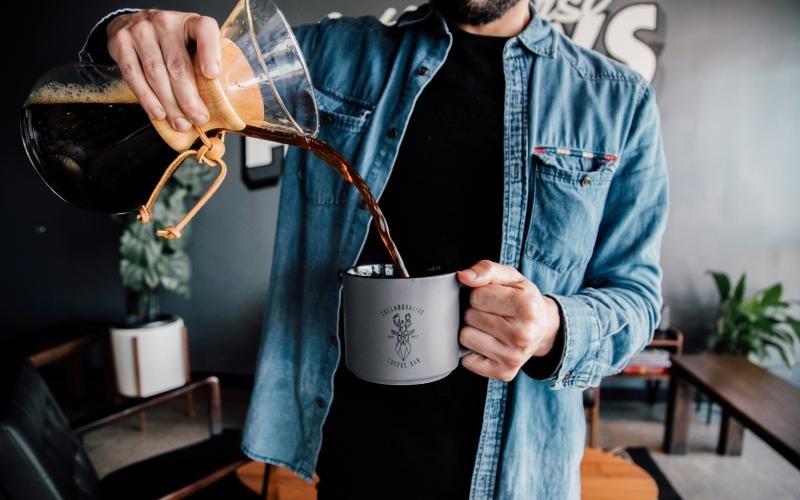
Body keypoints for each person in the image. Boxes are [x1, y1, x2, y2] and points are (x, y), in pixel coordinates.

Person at [80, 1, 668, 498]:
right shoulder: (333, 56)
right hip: (356, 452)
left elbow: (636, 297)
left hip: (520, 471)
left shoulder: (617, 100)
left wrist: (551, 326)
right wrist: (127, 31)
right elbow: (194, 61)